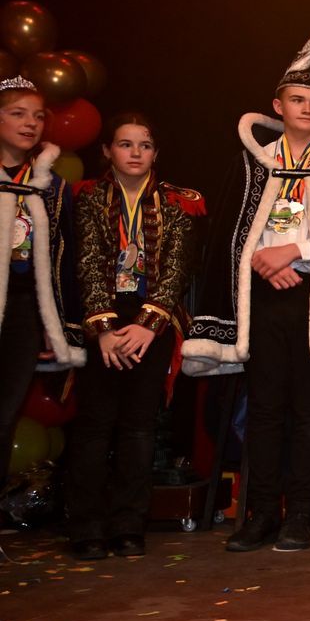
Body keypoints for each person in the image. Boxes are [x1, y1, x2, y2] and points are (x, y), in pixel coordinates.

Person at [183, 35, 310, 552]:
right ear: (278, 106)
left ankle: (298, 514)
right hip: (262, 298)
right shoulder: (251, 164)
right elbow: (230, 233)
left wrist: (294, 251)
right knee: (264, 410)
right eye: (298, 99)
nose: (307, 109)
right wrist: (264, 261)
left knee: (308, 412)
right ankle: (260, 515)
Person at [65, 114, 203, 560]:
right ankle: (86, 527)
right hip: (102, 318)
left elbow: (177, 269)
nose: (135, 152)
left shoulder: (177, 202)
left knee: (140, 427)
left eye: (144, 145)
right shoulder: (87, 199)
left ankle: (129, 525)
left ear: (155, 153)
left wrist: (147, 325)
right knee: (94, 425)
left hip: (152, 321)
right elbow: (86, 264)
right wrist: (104, 332)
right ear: (108, 151)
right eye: (125, 144)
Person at [0, 76, 84, 502]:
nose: (30, 124)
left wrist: (57, 327)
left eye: (37, 116)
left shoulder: (50, 185)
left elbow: (63, 262)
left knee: (5, 414)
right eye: (18, 114)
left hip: (23, 309)